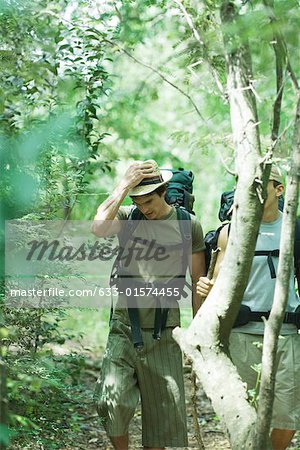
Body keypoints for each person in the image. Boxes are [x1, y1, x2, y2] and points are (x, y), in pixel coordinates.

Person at [92, 159, 206, 450]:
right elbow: (98, 227)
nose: (145, 208)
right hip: (124, 327)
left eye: (150, 200)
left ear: (164, 192)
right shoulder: (129, 218)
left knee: (162, 422)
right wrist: (123, 186)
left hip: (164, 332)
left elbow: (197, 283)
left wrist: (198, 337)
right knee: (110, 401)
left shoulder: (187, 225)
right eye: (138, 201)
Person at [197, 166, 300, 450]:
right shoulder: (232, 231)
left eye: (260, 185)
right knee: (245, 413)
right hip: (243, 335)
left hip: (286, 335)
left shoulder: (295, 229)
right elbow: (217, 284)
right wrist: (206, 290)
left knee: (287, 415)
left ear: (279, 190)